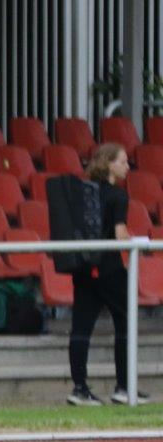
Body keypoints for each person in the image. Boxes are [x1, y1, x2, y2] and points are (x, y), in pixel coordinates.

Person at [65, 144, 148, 406]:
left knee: (81, 327)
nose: (127, 167)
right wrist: (138, 244)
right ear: (109, 164)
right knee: (125, 323)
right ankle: (123, 386)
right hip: (109, 268)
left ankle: (79, 387)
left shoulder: (82, 194)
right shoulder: (118, 196)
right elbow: (120, 234)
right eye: (122, 162)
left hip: (83, 268)